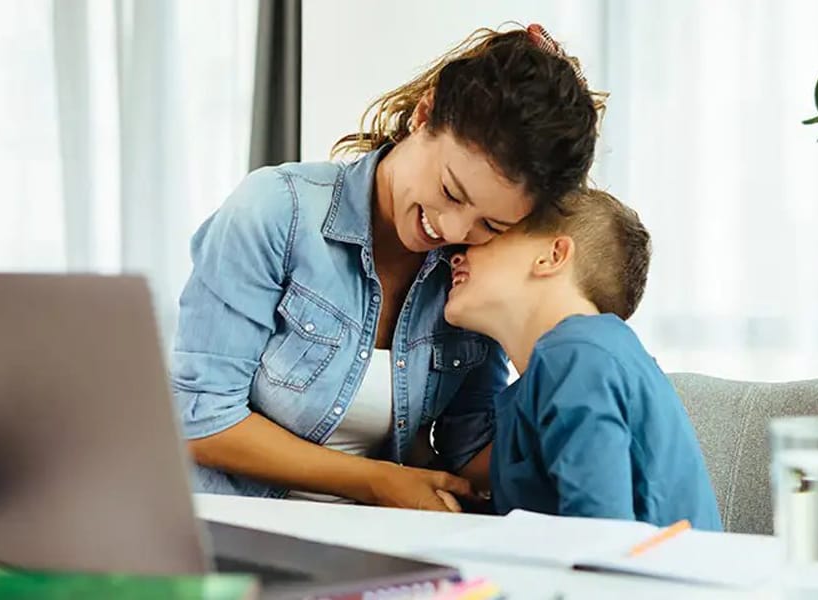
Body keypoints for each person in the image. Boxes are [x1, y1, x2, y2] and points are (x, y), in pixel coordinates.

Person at [171, 24, 603, 511]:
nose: (453, 229)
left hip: (375, 544)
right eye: (450, 191)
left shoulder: (468, 277)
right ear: (425, 115)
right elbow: (201, 419)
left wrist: (586, 399)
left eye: (491, 222)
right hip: (234, 534)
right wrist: (377, 482)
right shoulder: (277, 212)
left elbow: (468, 447)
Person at [442, 189, 722, 528]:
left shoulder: (576, 356)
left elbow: (598, 538)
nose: (456, 253)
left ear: (552, 255)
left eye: (490, 231)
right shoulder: (576, 360)